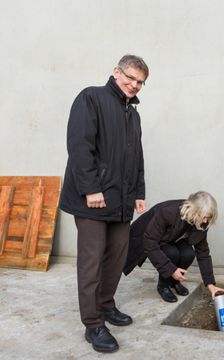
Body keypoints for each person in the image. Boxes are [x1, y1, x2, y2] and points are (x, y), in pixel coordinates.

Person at [59, 55, 149, 353]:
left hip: (121, 201)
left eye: (140, 82)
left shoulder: (133, 115)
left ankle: (106, 305)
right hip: (93, 201)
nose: (134, 85)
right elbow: (80, 145)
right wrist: (91, 189)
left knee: (116, 258)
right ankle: (93, 323)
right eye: (131, 78)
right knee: (92, 263)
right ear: (116, 71)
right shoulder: (91, 98)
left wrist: (138, 192)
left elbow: (136, 156)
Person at [124, 191, 224, 302]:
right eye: (204, 217)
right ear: (193, 211)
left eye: (209, 218)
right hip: (153, 236)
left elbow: (203, 252)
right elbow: (150, 242)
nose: (206, 221)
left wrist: (211, 285)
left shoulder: (202, 222)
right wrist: (171, 270)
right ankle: (163, 285)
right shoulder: (168, 212)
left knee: (188, 254)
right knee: (172, 253)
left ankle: (174, 282)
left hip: (174, 237)